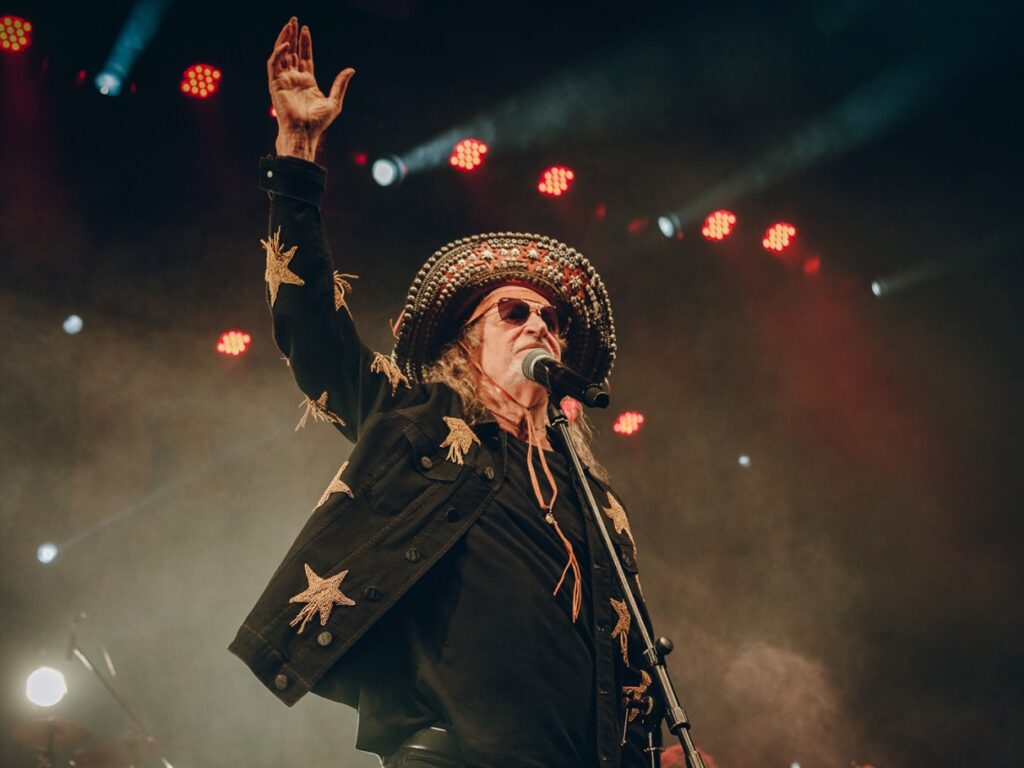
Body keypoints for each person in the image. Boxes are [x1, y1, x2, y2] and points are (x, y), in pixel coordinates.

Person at [230, 17, 660, 768]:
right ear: (467, 342)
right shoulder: (420, 420)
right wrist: (296, 157)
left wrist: (655, 748)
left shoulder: (592, 498)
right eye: (513, 312)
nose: (540, 325)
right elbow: (313, 332)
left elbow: (631, 655)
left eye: (553, 320)